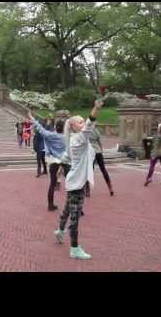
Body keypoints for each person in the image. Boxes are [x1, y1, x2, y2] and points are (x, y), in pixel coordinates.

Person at [54, 100, 103, 260]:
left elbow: (67, 155)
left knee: (67, 210)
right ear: (74, 127)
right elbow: (90, 124)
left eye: (83, 121)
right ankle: (74, 249)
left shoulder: (74, 139)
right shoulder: (79, 139)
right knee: (75, 218)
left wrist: (61, 166)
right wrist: (96, 107)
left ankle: (60, 231)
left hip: (74, 182)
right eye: (80, 122)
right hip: (76, 184)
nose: (83, 123)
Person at [29, 112, 69, 211]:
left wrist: (31, 118)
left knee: (52, 183)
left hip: (53, 160)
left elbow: (40, 128)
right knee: (71, 183)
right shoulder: (66, 137)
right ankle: (76, 207)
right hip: (64, 160)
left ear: (55, 127)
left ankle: (50, 205)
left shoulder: (50, 135)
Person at [85, 117, 115, 196]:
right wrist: (101, 151)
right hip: (98, 152)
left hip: (90, 152)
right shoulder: (96, 131)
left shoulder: (86, 131)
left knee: (89, 171)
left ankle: (87, 190)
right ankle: (110, 188)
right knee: (103, 169)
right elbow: (99, 143)